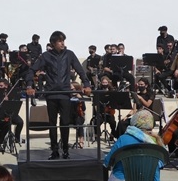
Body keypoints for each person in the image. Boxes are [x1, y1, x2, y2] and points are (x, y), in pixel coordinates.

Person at [26, 31, 91, 160]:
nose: (62, 43)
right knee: (52, 124)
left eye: (63, 41)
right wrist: (29, 85)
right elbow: (32, 70)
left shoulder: (69, 54)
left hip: (65, 94)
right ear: (53, 43)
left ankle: (66, 150)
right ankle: (55, 151)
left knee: (65, 123)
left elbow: (80, 69)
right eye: (60, 41)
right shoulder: (45, 56)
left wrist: (86, 84)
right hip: (51, 94)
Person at [103, 110, 164, 181]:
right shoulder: (156, 144)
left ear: (134, 122)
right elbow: (157, 172)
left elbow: (107, 162)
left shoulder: (123, 139)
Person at [0, 78, 24, 143]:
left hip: (11, 113)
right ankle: (2, 139)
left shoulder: (12, 91)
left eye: (1, 86)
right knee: (6, 123)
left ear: (6, 85)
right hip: (2, 114)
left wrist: (9, 99)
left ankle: (17, 137)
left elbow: (16, 100)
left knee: (20, 122)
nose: (0, 87)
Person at [92, 76, 117, 141]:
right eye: (103, 82)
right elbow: (95, 103)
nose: (105, 84)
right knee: (96, 122)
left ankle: (112, 135)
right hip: (101, 112)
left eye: (106, 82)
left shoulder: (112, 91)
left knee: (113, 122)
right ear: (101, 83)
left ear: (108, 83)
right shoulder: (98, 91)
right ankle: (98, 135)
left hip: (109, 112)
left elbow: (115, 102)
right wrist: (98, 112)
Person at [70, 82, 86, 148]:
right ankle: (63, 140)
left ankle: (81, 140)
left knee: (79, 121)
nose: (71, 89)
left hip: (79, 116)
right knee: (63, 120)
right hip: (70, 116)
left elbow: (84, 108)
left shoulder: (80, 96)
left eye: (72, 88)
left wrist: (81, 100)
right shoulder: (68, 96)